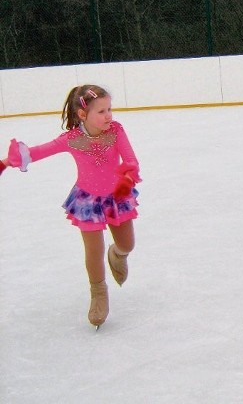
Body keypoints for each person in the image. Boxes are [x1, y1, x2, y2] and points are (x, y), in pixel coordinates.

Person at [0, 85, 141, 328]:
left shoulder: (116, 131)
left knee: (128, 243)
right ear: (82, 115)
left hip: (117, 196)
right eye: (101, 111)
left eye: (109, 109)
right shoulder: (72, 139)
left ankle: (117, 255)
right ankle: (98, 293)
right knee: (93, 251)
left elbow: (130, 160)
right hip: (87, 202)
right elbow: (37, 152)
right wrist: (5, 162)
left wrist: (126, 180)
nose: (109, 115)